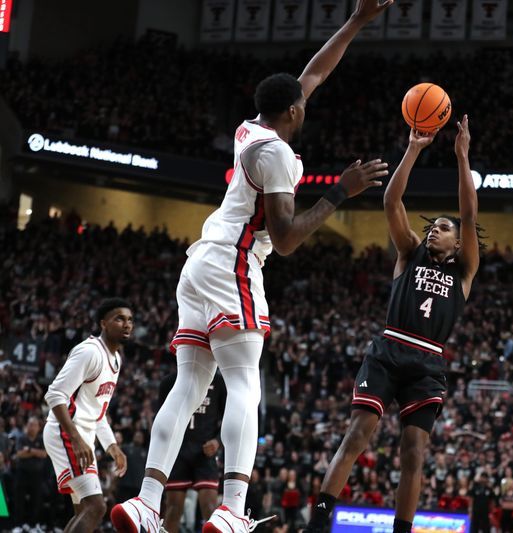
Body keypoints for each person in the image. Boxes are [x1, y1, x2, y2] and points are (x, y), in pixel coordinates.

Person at [111, 2, 393, 532]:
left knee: (188, 388)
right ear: (291, 113)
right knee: (245, 385)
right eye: (301, 107)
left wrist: (356, 23)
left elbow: (309, 77)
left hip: (199, 264)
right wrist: (340, 192)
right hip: (233, 264)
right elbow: (285, 240)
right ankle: (233, 510)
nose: (305, 109)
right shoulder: (277, 154)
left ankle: (146, 501)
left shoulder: (251, 128)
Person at [305, 115, 480, 533]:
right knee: (358, 434)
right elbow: (391, 202)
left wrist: (461, 156)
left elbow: (470, 214)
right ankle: (319, 521)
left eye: (442, 229)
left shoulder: (465, 271)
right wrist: (414, 149)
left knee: (414, 453)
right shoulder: (409, 253)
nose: (433, 232)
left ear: (457, 243)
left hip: (428, 363)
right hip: (388, 350)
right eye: (432, 227)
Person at [42, 298, 131, 533]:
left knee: (84, 510)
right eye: (119, 318)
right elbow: (54, 395)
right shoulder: (89, 352)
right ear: (103, 323)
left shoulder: (116, 360)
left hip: (83, 434)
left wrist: (112, 446)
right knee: (96, 506)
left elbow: (98, 412)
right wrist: (75, 438)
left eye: (130, 319)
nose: (127, 324)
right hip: (67, 431)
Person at [159, 371, 226, 533]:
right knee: (173, 511)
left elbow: (229, 418)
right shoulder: (169, 381)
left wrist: (217, 441)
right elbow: (161, 418)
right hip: (177, 451)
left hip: (205, 452)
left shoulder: (219, 382)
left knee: (210, 509)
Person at [11, 416, 47, 529]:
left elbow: (44, 454)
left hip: (37, 474)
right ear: (27, 426)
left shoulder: (41, 439)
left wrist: (30, 450)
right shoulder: (22, 438)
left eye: (34, 425)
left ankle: (33, 525)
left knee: (36, 500)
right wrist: (35, 453)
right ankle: (18, 525)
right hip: (22, 473)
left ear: (38, 427)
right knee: (19, 499)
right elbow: (19, 454)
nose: (31, 427)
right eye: (30, 425)